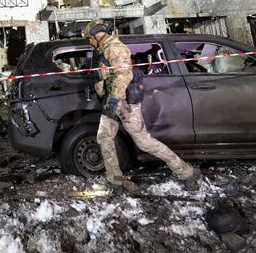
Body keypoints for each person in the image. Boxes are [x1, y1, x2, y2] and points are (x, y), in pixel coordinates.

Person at [82, 20, 201, 195]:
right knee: (104, 137)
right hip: (113, 101)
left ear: (97, 35)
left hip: (123, 103)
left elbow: (124, 74)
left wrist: (114, 99)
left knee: (144, 142)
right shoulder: (105, 50)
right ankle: (116, 182)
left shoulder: (115, 49)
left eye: (89, 38)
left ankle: (187, 172)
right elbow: (109, 76)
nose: (89, 42)